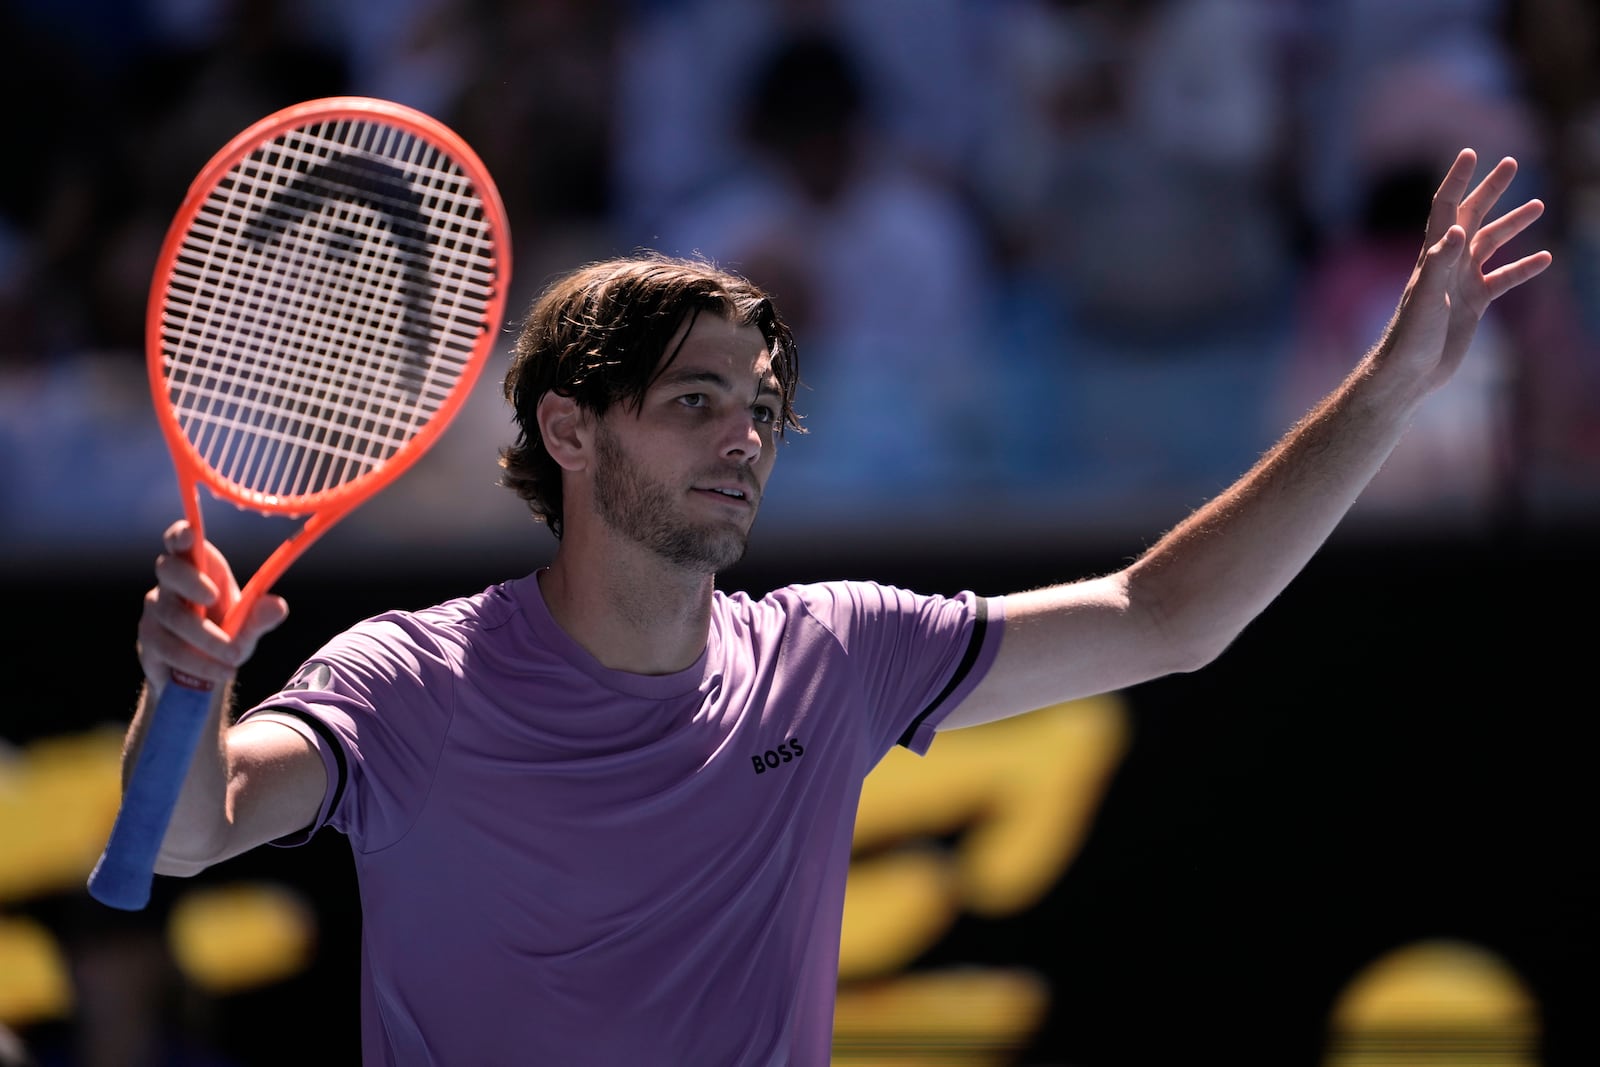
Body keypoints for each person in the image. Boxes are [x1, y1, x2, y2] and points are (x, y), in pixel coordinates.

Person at [122, 149, 1549, 1065]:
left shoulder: (838, 656)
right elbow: (192, 831)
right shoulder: (413, 682)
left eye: (756, 408)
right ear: (570, 429)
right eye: (693, 405)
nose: (742, 439)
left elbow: (1168, 617)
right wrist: (191, 680)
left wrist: (1392, 386)